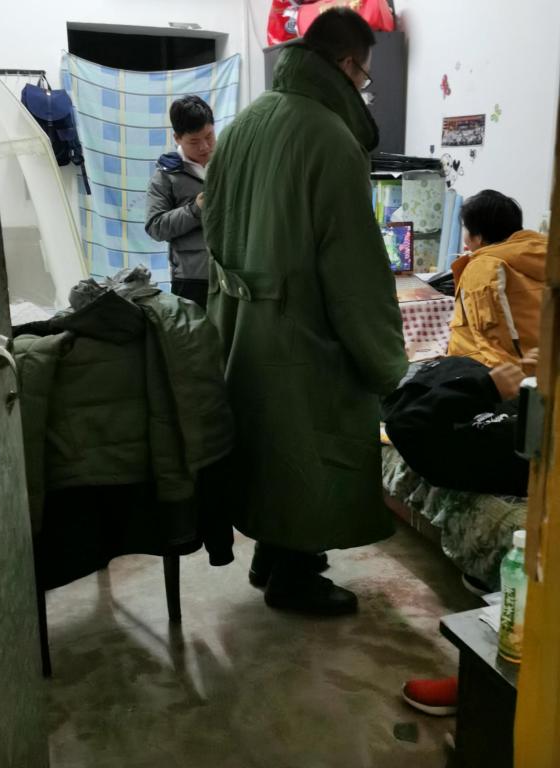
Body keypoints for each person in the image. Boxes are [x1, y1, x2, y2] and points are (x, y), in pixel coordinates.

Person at [203, 9, 408, 616]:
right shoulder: (330, 138)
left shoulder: (244, 124)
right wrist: (385, 361)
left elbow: (215, 228)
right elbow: (354, 270)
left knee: (265, 445)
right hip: (301, 332)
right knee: (309, 448)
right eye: (364, 76)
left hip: (240, 326)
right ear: (345, 65)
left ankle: (272, 556)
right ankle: (293, 577)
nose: (363, 88)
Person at [386, 351, 538, 717]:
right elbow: (404, 424)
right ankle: (490, 678)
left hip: (464, 389)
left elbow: (408, 425)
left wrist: (486, 387)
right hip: (456, 378)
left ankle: (492, 684)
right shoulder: (512, 424)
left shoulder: (500, 448)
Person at [382, 352, 537, 498]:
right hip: (457, 374)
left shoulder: (462, 459)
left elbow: (406, 425)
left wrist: (486, 388)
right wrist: (535, 381)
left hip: (431, 382)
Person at [448, 189, 547, 367]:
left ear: (478, 236)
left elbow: (492, 340)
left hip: (483, 369)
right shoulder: (544, 254)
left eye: (465, 228)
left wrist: (505, 378)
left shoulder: (483, 268)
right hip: (543, 363)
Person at [145, 95, 216, 309]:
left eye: (209, 136)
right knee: (195, 331)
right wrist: (195, 210)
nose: (204, 147)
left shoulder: (230, 162)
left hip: (235, 275)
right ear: (177, 138)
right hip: (192, 279)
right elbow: (155, 226)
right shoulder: (166, 175)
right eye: (194, 141)